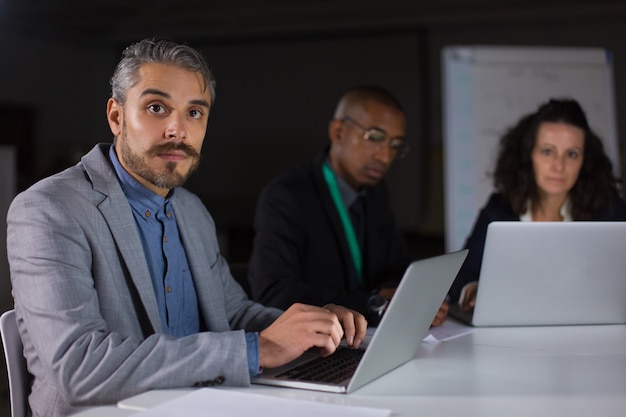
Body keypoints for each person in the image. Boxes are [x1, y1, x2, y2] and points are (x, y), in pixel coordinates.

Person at [6, 38, 366, 417]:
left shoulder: (191, 210)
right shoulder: (49, 209)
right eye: (157, 108)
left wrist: (312, 327)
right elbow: (80, 368)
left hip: (197, 403)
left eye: (195, 112)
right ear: (116, 117)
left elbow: (233, 314)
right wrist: (257, 348)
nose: (177, 130)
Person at [247, 85, 449, 327]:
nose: (385, 157)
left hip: (370, 338)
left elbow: (395, 265)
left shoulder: (377, 193)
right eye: (375, 137)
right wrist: (372, 304)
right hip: (317, 344)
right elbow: (273, 292)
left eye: (395, 145)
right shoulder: (287, 195)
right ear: (338, 131)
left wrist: (409, 296)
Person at [449, 98, 626, 311]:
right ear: (528, 155)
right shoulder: (499, 208)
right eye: (547, 151)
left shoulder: (609, 210)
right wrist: (474, 290)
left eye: (571, 154)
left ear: (585, 161)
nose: (559, 166)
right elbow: (463, 275)